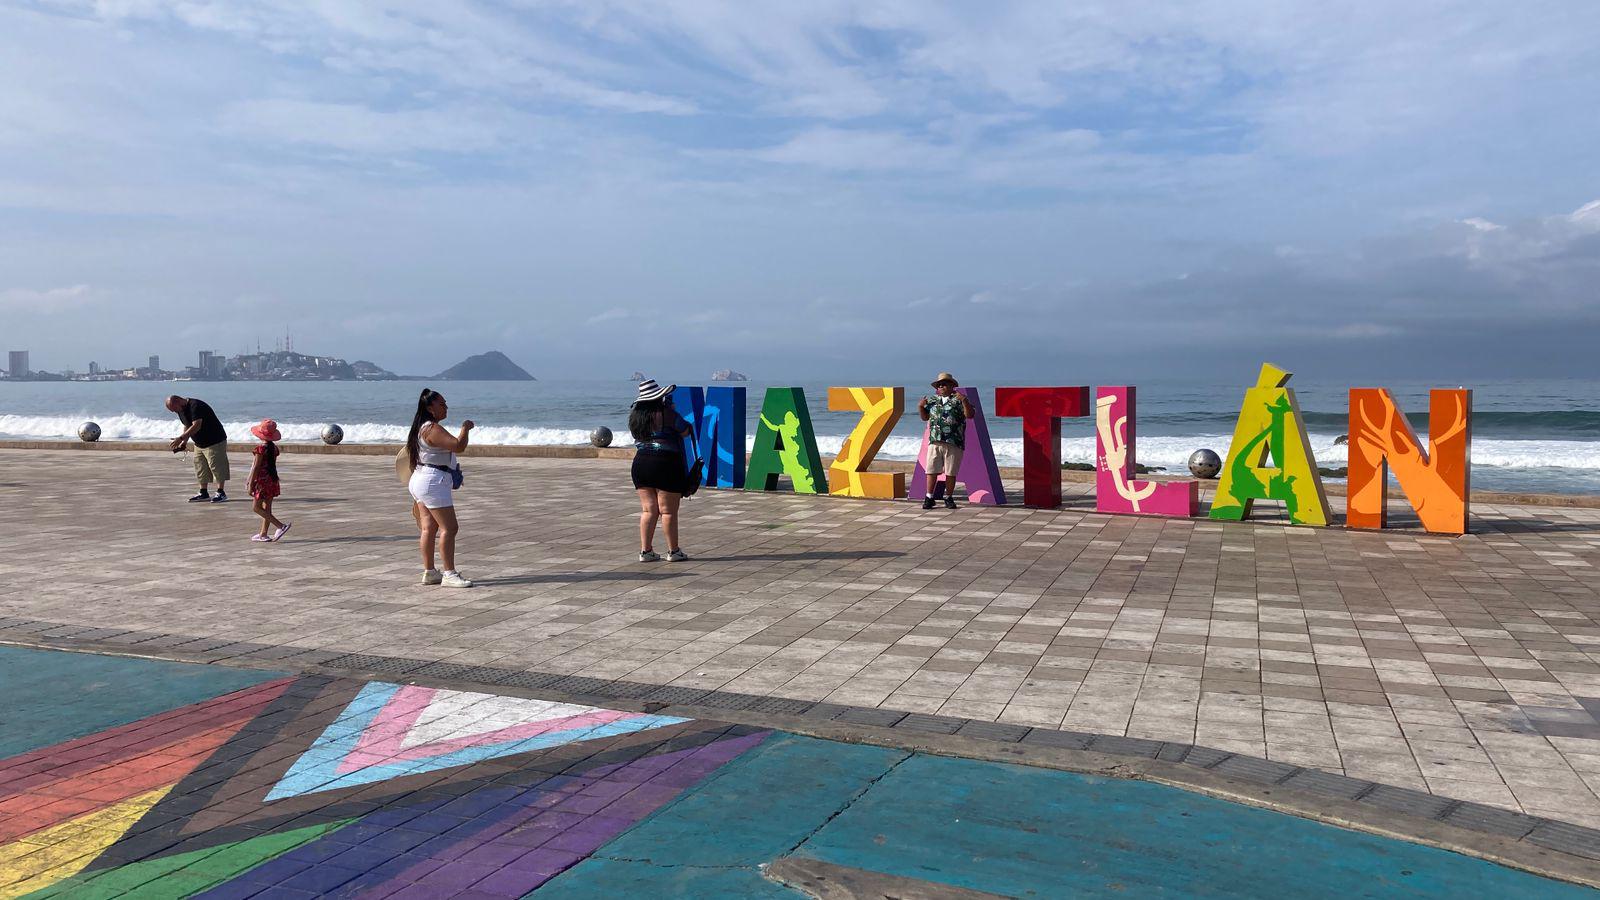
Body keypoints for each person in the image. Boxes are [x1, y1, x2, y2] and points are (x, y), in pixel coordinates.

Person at [405, 388, 475, 588]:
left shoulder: (420, 428)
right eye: (442, 404)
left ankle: (429, 572)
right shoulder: (432, 429)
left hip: (420, 478)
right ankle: (449, 574)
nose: (446, 407)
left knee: (429, 528)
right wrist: (465, 428)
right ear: (430, 408)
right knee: (450, 528)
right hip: (433, 481)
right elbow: (458, 445)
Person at [629, 378, 693, 562]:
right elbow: (685, 431)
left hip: (641, 463)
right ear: (659, 397)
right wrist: (672, 411)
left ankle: (646, 551)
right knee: (668, 511)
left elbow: (636, 436)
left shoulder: (636, 417)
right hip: (666, 463)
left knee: (648, 510)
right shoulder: (667, 414)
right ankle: (674, 551)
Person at [918, 372, 975, 510]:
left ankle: (948, 497)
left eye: (944, 384)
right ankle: (929, 497)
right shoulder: (932, 400)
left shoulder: (959, 400)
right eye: (939, 385)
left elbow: (970, 415)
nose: (941, 386)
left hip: (954, 442)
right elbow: (925, 418)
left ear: (952, 386)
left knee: (950, 472)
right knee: (931, 470)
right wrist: (920, 407)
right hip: (935, 441)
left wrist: (965, 401)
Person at [165, 395, 230, 502]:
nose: (174, 412)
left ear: (178, 401)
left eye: (174, 409)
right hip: (199, 443)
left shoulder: (196, 406)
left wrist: (180, 438)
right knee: (200, 467)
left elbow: (196, 425)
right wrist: (184, 442)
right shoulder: (180, 410)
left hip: (215, 440)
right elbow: (187, 425)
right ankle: (203, 492)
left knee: (217, 466)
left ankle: (221, 492)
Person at [246, 419, 290, 542]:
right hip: (272, 479)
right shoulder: (274, 449)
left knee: (256, 507)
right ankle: (263, 534)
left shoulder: (260, 449)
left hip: (262, 481)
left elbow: (256, 467)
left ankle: (281, 526)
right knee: (267, 507)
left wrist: (250, 483)